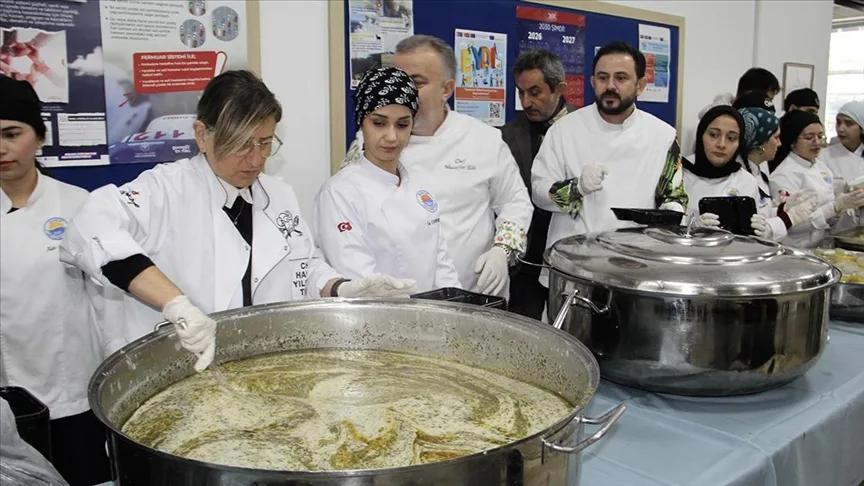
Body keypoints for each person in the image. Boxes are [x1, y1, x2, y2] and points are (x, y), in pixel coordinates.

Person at [60, 71, 415, 374]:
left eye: (265, 143)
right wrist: (175, 305)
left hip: (264, 365)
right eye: (241, 144)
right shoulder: (165, 190)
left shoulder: (278, 194)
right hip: (178, 368)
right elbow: (90, 228)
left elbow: (303, 267)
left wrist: (343, 289)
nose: (256, 159)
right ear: (202, 135)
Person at [344, 35, 533, 298]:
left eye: (416, 82)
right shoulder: (369, 144)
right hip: (400, 299)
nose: (402, 91)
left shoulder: (484, 139)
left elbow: (516, 202)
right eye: (397, 79)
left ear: (447, 89)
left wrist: (503, 250)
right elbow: (349, 211)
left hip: (474, 292)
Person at [0, 75, 110, 485]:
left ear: (40, 137)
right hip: (7, 398)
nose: (1, 148)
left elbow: (106, 303)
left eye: (12, 134)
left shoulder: (78, 205)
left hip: (74, 390)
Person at [313, 67, 460, 292]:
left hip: (430, 311)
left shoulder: (420, 187)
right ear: (361, 122)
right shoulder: (339, 193)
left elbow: (442, 266)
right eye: (379, 123)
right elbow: (362, 283)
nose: (392, 137)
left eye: (402, 125)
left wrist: (457, 303)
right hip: (377, 312)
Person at [531, 41, 689, 247]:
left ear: (640, 85)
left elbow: (674, 195)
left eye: (621, 78)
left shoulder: (663, 136)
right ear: (592, 82)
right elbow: (538, 192)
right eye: (603, 77)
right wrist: (576, 188)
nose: (610, 86)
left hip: (637, 254)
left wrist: (672, 212)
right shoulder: (563, 130)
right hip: (573, 255)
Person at [500, 49, 576, 319]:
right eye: (521, 93)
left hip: (571, 252)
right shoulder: (507, 136)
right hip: (526, 260)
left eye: (535, 92)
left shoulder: (585, 130)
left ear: (559, 89)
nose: (526, 102)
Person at [684, 106, 814, 241]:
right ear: (701, 135)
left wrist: (763, 231)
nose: (721, 144)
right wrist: (688, 228)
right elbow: (669, 226)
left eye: (731, 138)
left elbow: (751, 231)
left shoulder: (746, 181)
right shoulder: (678, 174)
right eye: (713, 135)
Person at [769, 110, 864, 248]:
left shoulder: (821, 167)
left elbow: (829, 216)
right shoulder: (784, 175)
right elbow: (790, 224)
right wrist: (834, 207)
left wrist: (844, 201)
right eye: (809, 138)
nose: (817, 142)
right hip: (795, 247)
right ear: (792, 141)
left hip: (821, 244)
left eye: (820, 136)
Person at [737, 106, 817, 240]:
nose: (779, 143)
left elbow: (761, 214)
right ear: (761, 142)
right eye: (776, 137)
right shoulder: (740, 177)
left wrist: (782, 209)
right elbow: (751, 229)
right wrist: (788, 218)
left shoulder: (758, 172)